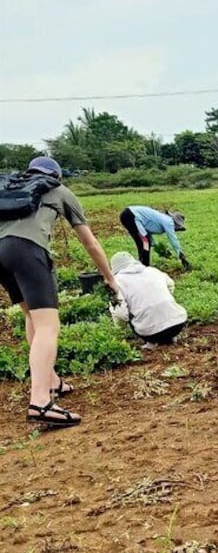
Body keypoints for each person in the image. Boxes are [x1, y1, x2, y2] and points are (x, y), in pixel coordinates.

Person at [0, 156, 119, 428]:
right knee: (48, 326)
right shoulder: (60, 191)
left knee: (32, 316)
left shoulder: (11, 188)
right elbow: (89, 242)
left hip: (1, 253)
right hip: (27, 251)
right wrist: (109, 277)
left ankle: (51, 381)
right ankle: (41, 401)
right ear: (58, 176)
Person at [108, 252, 188, 349]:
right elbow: (170, 284)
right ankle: (171, 337)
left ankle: (151, 343)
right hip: (178, 324)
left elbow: (120, 313)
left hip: (150, 333)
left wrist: (121, 330)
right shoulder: (152, 270)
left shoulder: (117, 282)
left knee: (129, 312)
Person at [119, 205, 190, 269]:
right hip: (131, 215)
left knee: (142, 243)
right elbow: (173, 239)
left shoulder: (161, 219)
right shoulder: (169, 221)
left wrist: (160, 249)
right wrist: (181, 255)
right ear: (176, 223)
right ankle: (145, 267)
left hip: (127, 215)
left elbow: (146, 232)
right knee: (145, 243)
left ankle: (142, 265)